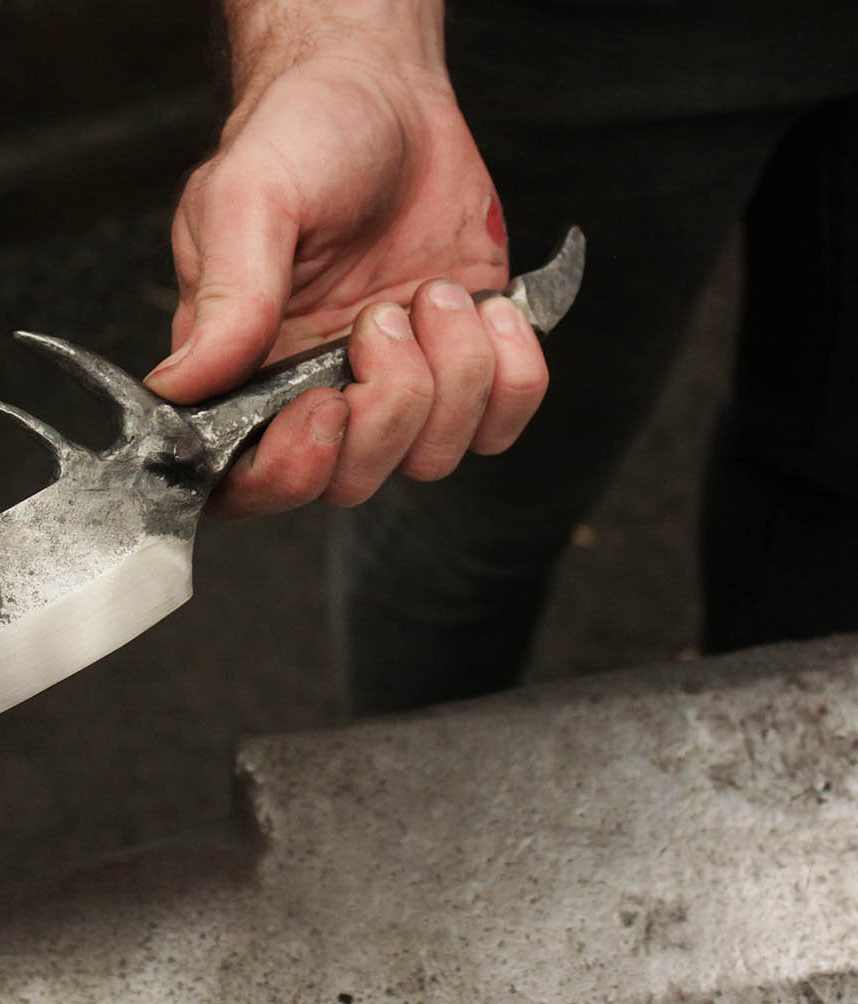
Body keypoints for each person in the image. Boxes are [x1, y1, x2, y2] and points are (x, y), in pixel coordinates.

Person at [145, 0, 858, 713]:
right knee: (468, 522)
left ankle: (780, 728)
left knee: (838, 463)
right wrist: (350, 44)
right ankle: (406, 762)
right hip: (576, 52)